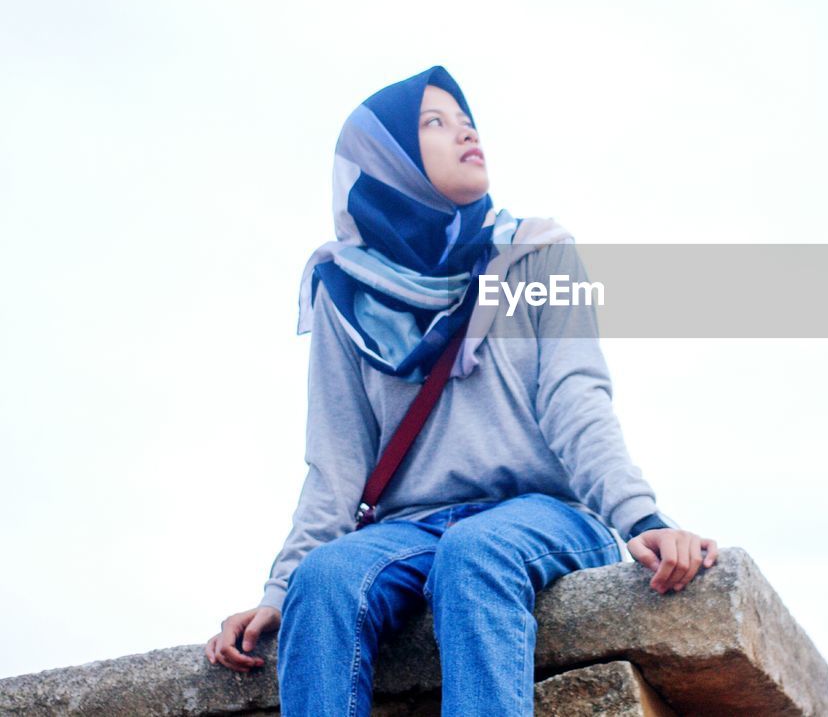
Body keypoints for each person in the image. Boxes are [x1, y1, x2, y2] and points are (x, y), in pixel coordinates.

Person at [204, 65, 717, 716]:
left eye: (465, 116)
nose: (465, 129)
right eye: (433, 123)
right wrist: (279, 592)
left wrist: (641, 516)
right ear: (387, 161)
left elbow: (576, 400)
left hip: (542, 512)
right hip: (410, 527)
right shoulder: (343, 291)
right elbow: (335, 463)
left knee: (475, 555)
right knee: (325, 580)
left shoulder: (540, 254)